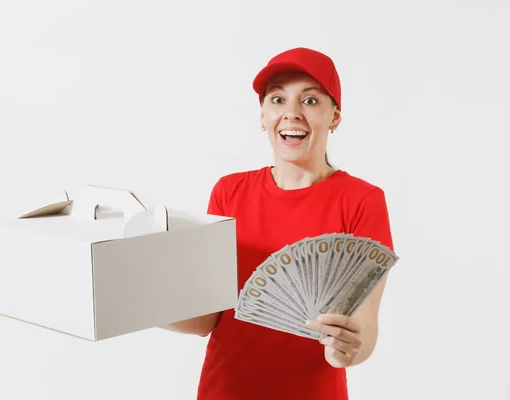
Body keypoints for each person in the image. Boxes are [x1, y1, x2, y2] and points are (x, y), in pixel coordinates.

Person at [162, 47, 395, 400]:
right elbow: (206, 320)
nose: (291, 113)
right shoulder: (229, 191)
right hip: (225, 390)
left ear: (335, 117)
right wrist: (139, 306)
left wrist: (346, 348)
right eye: (277, 99)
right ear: (262, 116)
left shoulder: (361, 200)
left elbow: (365, 327)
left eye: (311, 100)